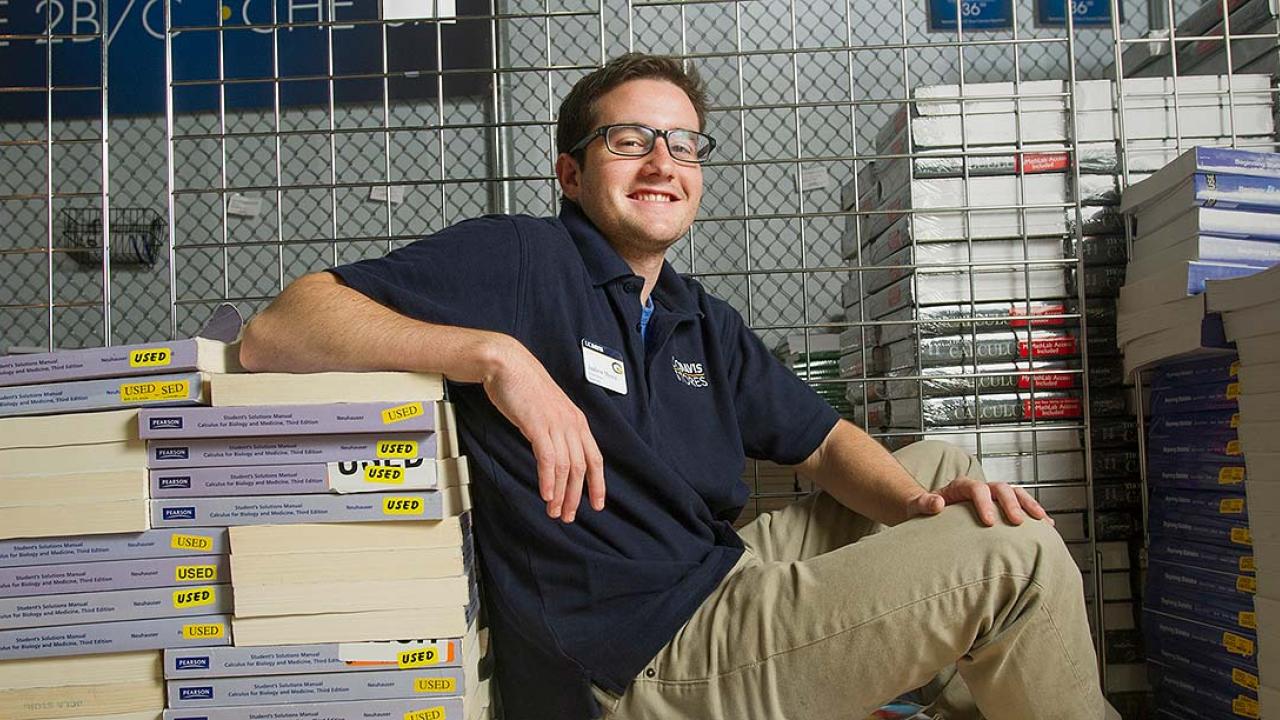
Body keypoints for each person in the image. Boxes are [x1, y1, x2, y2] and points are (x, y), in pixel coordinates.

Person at [240, 53, 1115, 720]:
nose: (661, 160)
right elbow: (278, 330)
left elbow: (819, 441)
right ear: (572, 173)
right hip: (637, 654)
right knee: (1019, 557)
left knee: (943, 468)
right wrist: (496, 357)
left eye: (682, 143)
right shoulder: (521, 258)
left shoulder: (699, 316)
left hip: (711, 578)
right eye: (629, 140)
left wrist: (920, 513)